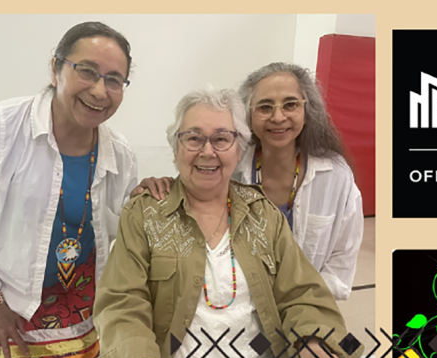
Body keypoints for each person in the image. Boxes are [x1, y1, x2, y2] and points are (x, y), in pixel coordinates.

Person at [90, 87, 363, 358]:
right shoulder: (144, 215)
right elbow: (122, 304)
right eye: (193, 138)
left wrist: (315, 343)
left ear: (239, 148)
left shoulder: (263, 214)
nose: (207, 151)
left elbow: (301, 293)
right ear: (175, 147)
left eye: (221, 139)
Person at [0, 21, 156, 358]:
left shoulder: (120, 153)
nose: (100, 91)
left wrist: (146, 196)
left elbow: (121, 222)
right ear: (55, 68)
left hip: (76, 297)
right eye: (87, 71)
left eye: (115, 80)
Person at [131, 62, 364, 301]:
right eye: (264, 107)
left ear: (307, 111)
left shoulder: (336, 176)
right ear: (248, 116)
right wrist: (160, 186)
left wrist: (299, 304)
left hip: (310, 306)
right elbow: (191, 192)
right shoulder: (229, 168)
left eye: (290, 104)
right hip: (242, 308)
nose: (278, 117)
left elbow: (340, 266)